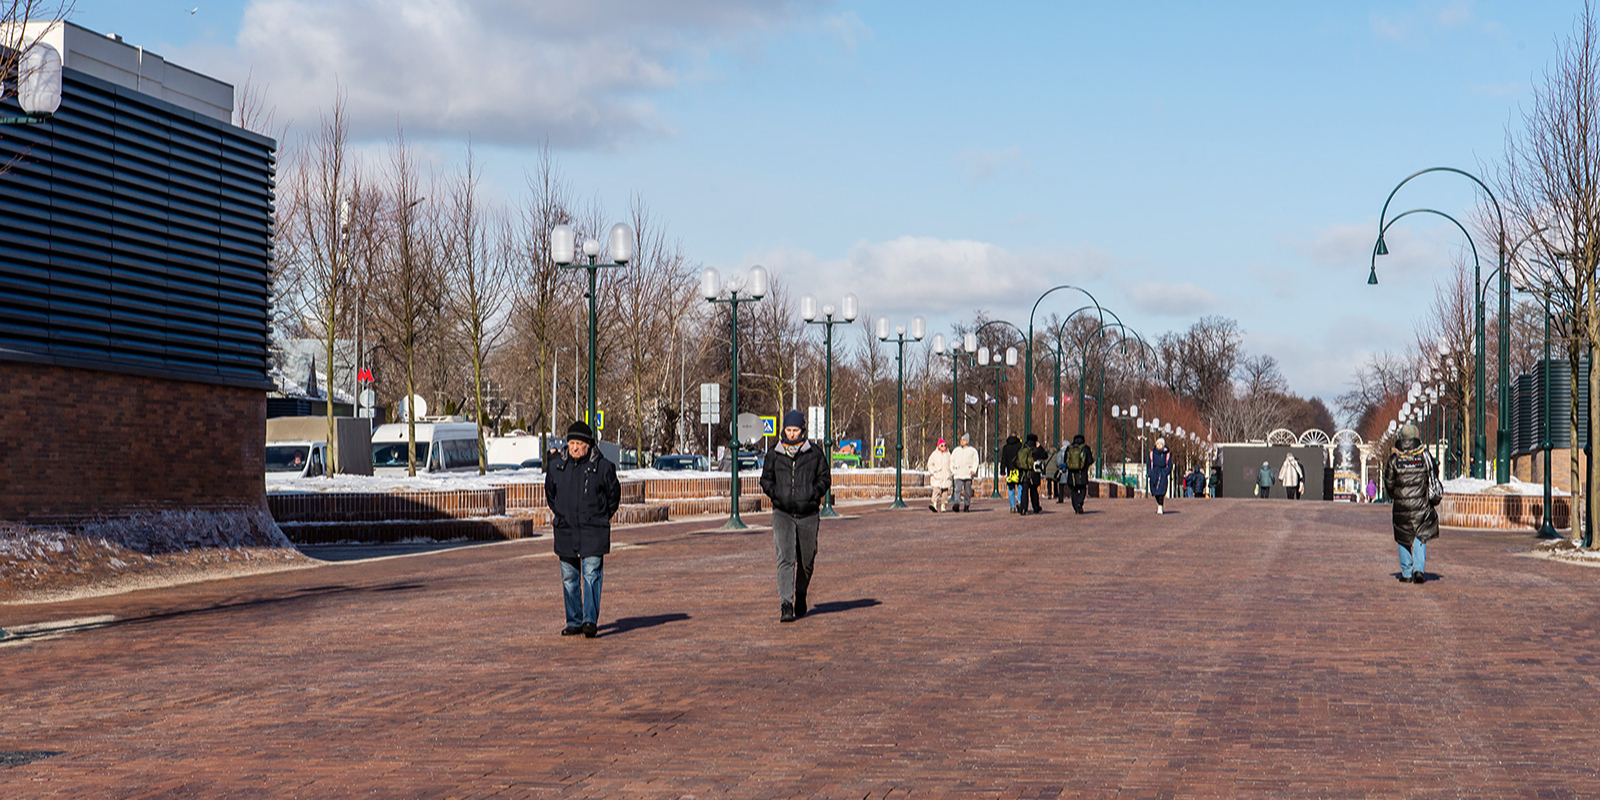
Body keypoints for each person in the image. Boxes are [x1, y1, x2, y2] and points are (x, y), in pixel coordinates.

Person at [547, 420, 622, 638]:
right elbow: (551, 494)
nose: (574, 447)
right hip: (566, 529)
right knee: (569, 578)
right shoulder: (557, 466)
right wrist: (562, 512)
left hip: (593, 531)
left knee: (591, 575)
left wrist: (600, 517)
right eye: (571, 443)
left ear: (588, 445)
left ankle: (590, 620)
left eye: (579, 443)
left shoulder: (603, 467)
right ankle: (574, 620)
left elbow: (613, 496)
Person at [761, 410, 832, 622]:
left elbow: (825, 478)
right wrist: (776, 494)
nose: (791, 434)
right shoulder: (775, 453)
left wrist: (813, 493)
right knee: (785, 558)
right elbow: (766, 479)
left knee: (807, 560)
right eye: (788, 430)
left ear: (803, 430)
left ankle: (801, 593)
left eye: (795, 430)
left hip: (808, 513)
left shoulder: (815, 453)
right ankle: (785, 604)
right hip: (782, 512)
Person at [1385, 423, 1441, 584]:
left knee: (1403, 536)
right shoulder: (1424, 456)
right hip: (1421, 504)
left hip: (1402, 505)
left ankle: (1407, 573)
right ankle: (1419, 570)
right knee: (1420, 534)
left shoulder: (1395, 458)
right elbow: (1434, 474)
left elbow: (1389, 482)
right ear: (1416, 438)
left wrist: (1395, 495)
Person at [1061, 433, 1094, 514]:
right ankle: (1080, 502)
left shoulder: (1069, 448)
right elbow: (1090, 460)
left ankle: (1076, 507)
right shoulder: (1085, 448)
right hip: (1082, 474)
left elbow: (1065, 460)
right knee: (1082, 489)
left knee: (1073, 491)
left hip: (1071, 475)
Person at [950, 434, 979, 512]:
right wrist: (953, 470)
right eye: (961, 440)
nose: (961, 441)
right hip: (958, 473)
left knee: (967, 491)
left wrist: (973, 470)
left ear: (967, 441)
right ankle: (956, 504)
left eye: (963, 440)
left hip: (968, 474)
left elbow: (975, 461)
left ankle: (967, 505)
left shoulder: (972, 451)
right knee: (957, 490)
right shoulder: (956, 450)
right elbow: (952, 460)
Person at [1018, 433, 1046, 514]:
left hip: (1024, 474)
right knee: (1034, 491)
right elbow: (1045, 455)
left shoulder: (1023, 449)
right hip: (1033, 474)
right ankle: (1036, 507)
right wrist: (1040, 447)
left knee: (1024, 491)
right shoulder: (1036, 450)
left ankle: (1023, 508)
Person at [927, 438, 953, 513]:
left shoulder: (948, 455)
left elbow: (952, 464)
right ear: (938, 446)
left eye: (945, 445)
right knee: (936, 491)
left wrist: (951, 471)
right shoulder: (934, 455)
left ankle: (943, 505)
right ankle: (934, 504)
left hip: (946, 476)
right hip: (937, 476)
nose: (943, 447)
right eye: (942, 445)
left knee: (945, 493)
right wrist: (933, 472)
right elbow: (930, 464)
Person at [1147, 437, 1172, 514]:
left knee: (1161, 491)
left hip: (1162, 473)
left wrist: (1166, 472)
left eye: (1160, 444)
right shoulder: (1152, 454)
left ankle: (1160, 506)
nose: (1159, 445)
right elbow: (1148, 464)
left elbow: (1170, 465)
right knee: (1155, 491)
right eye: (1157, 443)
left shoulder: (1166, 454)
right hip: (1154, 473)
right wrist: (1150, 473)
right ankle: (1158, 504)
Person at [1000, 434, 1022, 513]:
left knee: (1011, 488)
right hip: (1019, 469)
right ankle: (1019, 500)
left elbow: (1003, 460)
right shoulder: (1020, 446)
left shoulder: (1006, 447)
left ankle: (1012, 507)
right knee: (1020, 486)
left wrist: (1002, 471)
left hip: (1010, 470)